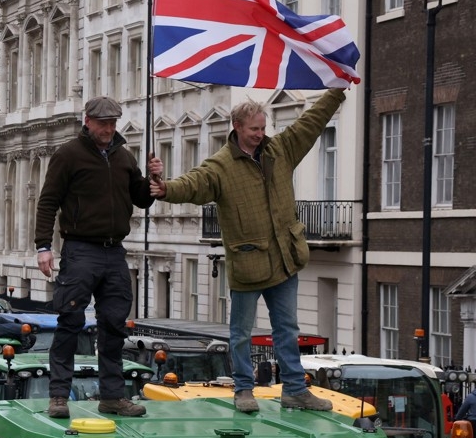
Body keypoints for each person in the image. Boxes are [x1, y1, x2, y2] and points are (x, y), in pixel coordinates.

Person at [150, 89, 347, 414]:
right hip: (248, 264)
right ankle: (243, 390)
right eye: (254, 128)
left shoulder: (280, 149)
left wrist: (335, 93)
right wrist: (167, 188)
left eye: (262, 127)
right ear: (237, 126)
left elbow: (310, 123)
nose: (260, 134)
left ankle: (295, 390)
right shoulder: (221, 166)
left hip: (284, 259)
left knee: (287, 330)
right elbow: (195, 184)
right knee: (240, 334)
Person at [35, 96, 160, 419]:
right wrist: (43, 246)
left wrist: (155, 180)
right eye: (102, 122)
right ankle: (59, 396)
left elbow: (142, 199)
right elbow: (48, 201)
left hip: (114, 251)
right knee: (70, 322)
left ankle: (113, 397)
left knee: (114, 326)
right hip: (80, 250)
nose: (108, 129)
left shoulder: (123, 157)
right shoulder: (68, 155)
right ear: (86, 120)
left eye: (112, 123)